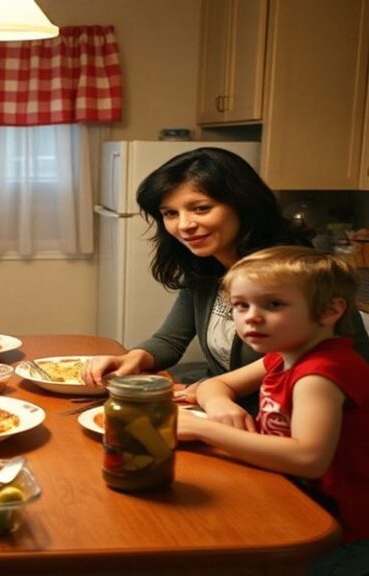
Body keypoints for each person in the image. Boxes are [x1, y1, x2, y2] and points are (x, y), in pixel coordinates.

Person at [82, 147, 369, 410]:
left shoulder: (295, 272)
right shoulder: (206, 266)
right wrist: (131, 359)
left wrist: (215, 389)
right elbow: (170, 340)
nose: (184, 225)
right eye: (170, 213)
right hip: (225, 410)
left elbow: (306, 353)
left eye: (201, 208)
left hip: (293, 424)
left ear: (242, 204)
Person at [177, 246, 369, 575]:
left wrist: (203, 428)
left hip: (335, 531)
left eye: (273, 304)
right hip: (294, 501)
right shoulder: (284, 354)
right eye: (241, 305)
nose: (251, 316)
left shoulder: (320, 374)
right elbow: (215, 385)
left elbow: (309, 459)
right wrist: (220, 404)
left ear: (330, 311)